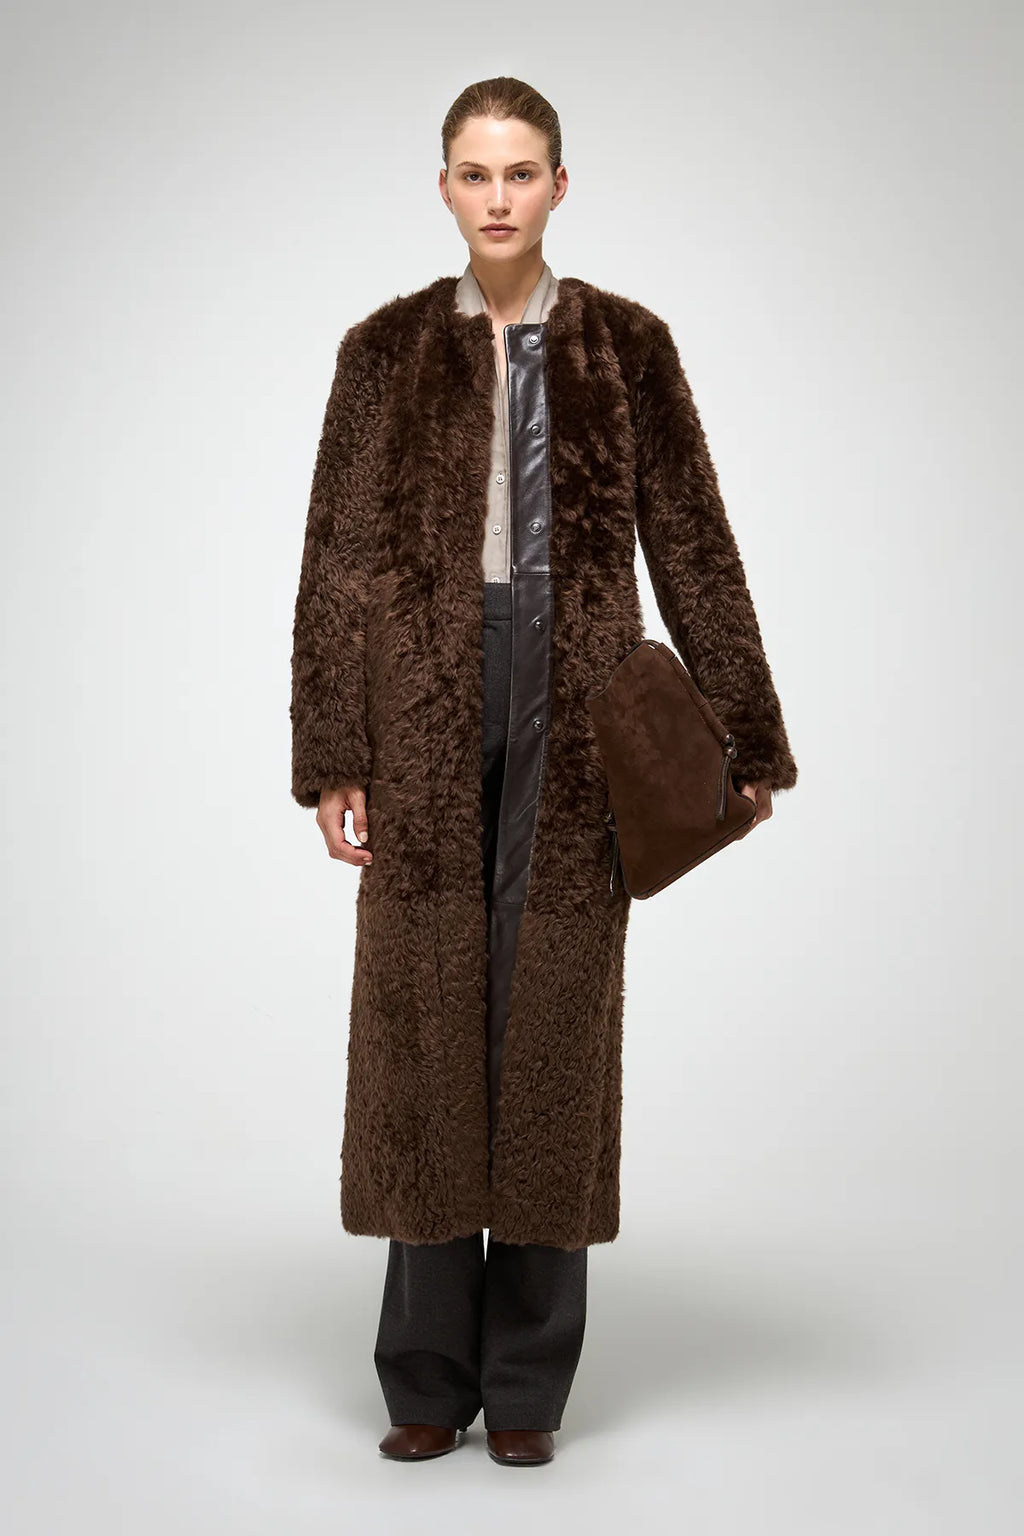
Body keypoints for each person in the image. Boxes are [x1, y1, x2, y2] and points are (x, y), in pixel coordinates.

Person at [289, 77, 798, 1467]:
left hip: (580, 711)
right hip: (422, 702)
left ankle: (526, 1387)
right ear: (443, 187)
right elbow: (337, 560)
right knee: (425, 1022)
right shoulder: (383, 351)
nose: (499, 196)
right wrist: (333, 751)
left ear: (560, 185)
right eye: (475, 172)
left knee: (556, 1024)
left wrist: (746, 732)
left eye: (521, 172)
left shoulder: (628, 345)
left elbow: (692, 540)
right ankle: (422, 1376)